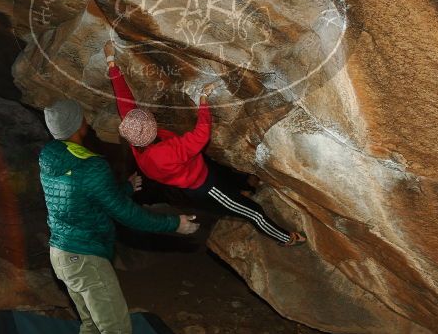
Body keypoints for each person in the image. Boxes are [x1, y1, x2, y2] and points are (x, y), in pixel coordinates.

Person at [40, 99, 198, 334]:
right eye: (83, 117)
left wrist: (125, 187)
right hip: (86, 258)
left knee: (92, 325)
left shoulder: (50, 156)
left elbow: (83, 198)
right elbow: (127, 215)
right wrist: (175, 224)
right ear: (78, 124)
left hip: (60, 254)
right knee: (117, 330)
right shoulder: (92, 166)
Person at [104, 40, 305, 247]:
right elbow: (200, 136)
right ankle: (285, 238)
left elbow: (124, 102)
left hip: (197, 170)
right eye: (150, 119)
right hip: (205, 186)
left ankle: (242, 191)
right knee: (253, 212)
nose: (150, 116)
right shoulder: (162, 153)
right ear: (150, 130)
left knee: (228, 178)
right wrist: (203, 101)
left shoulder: (136, 136)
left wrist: (111, 62)